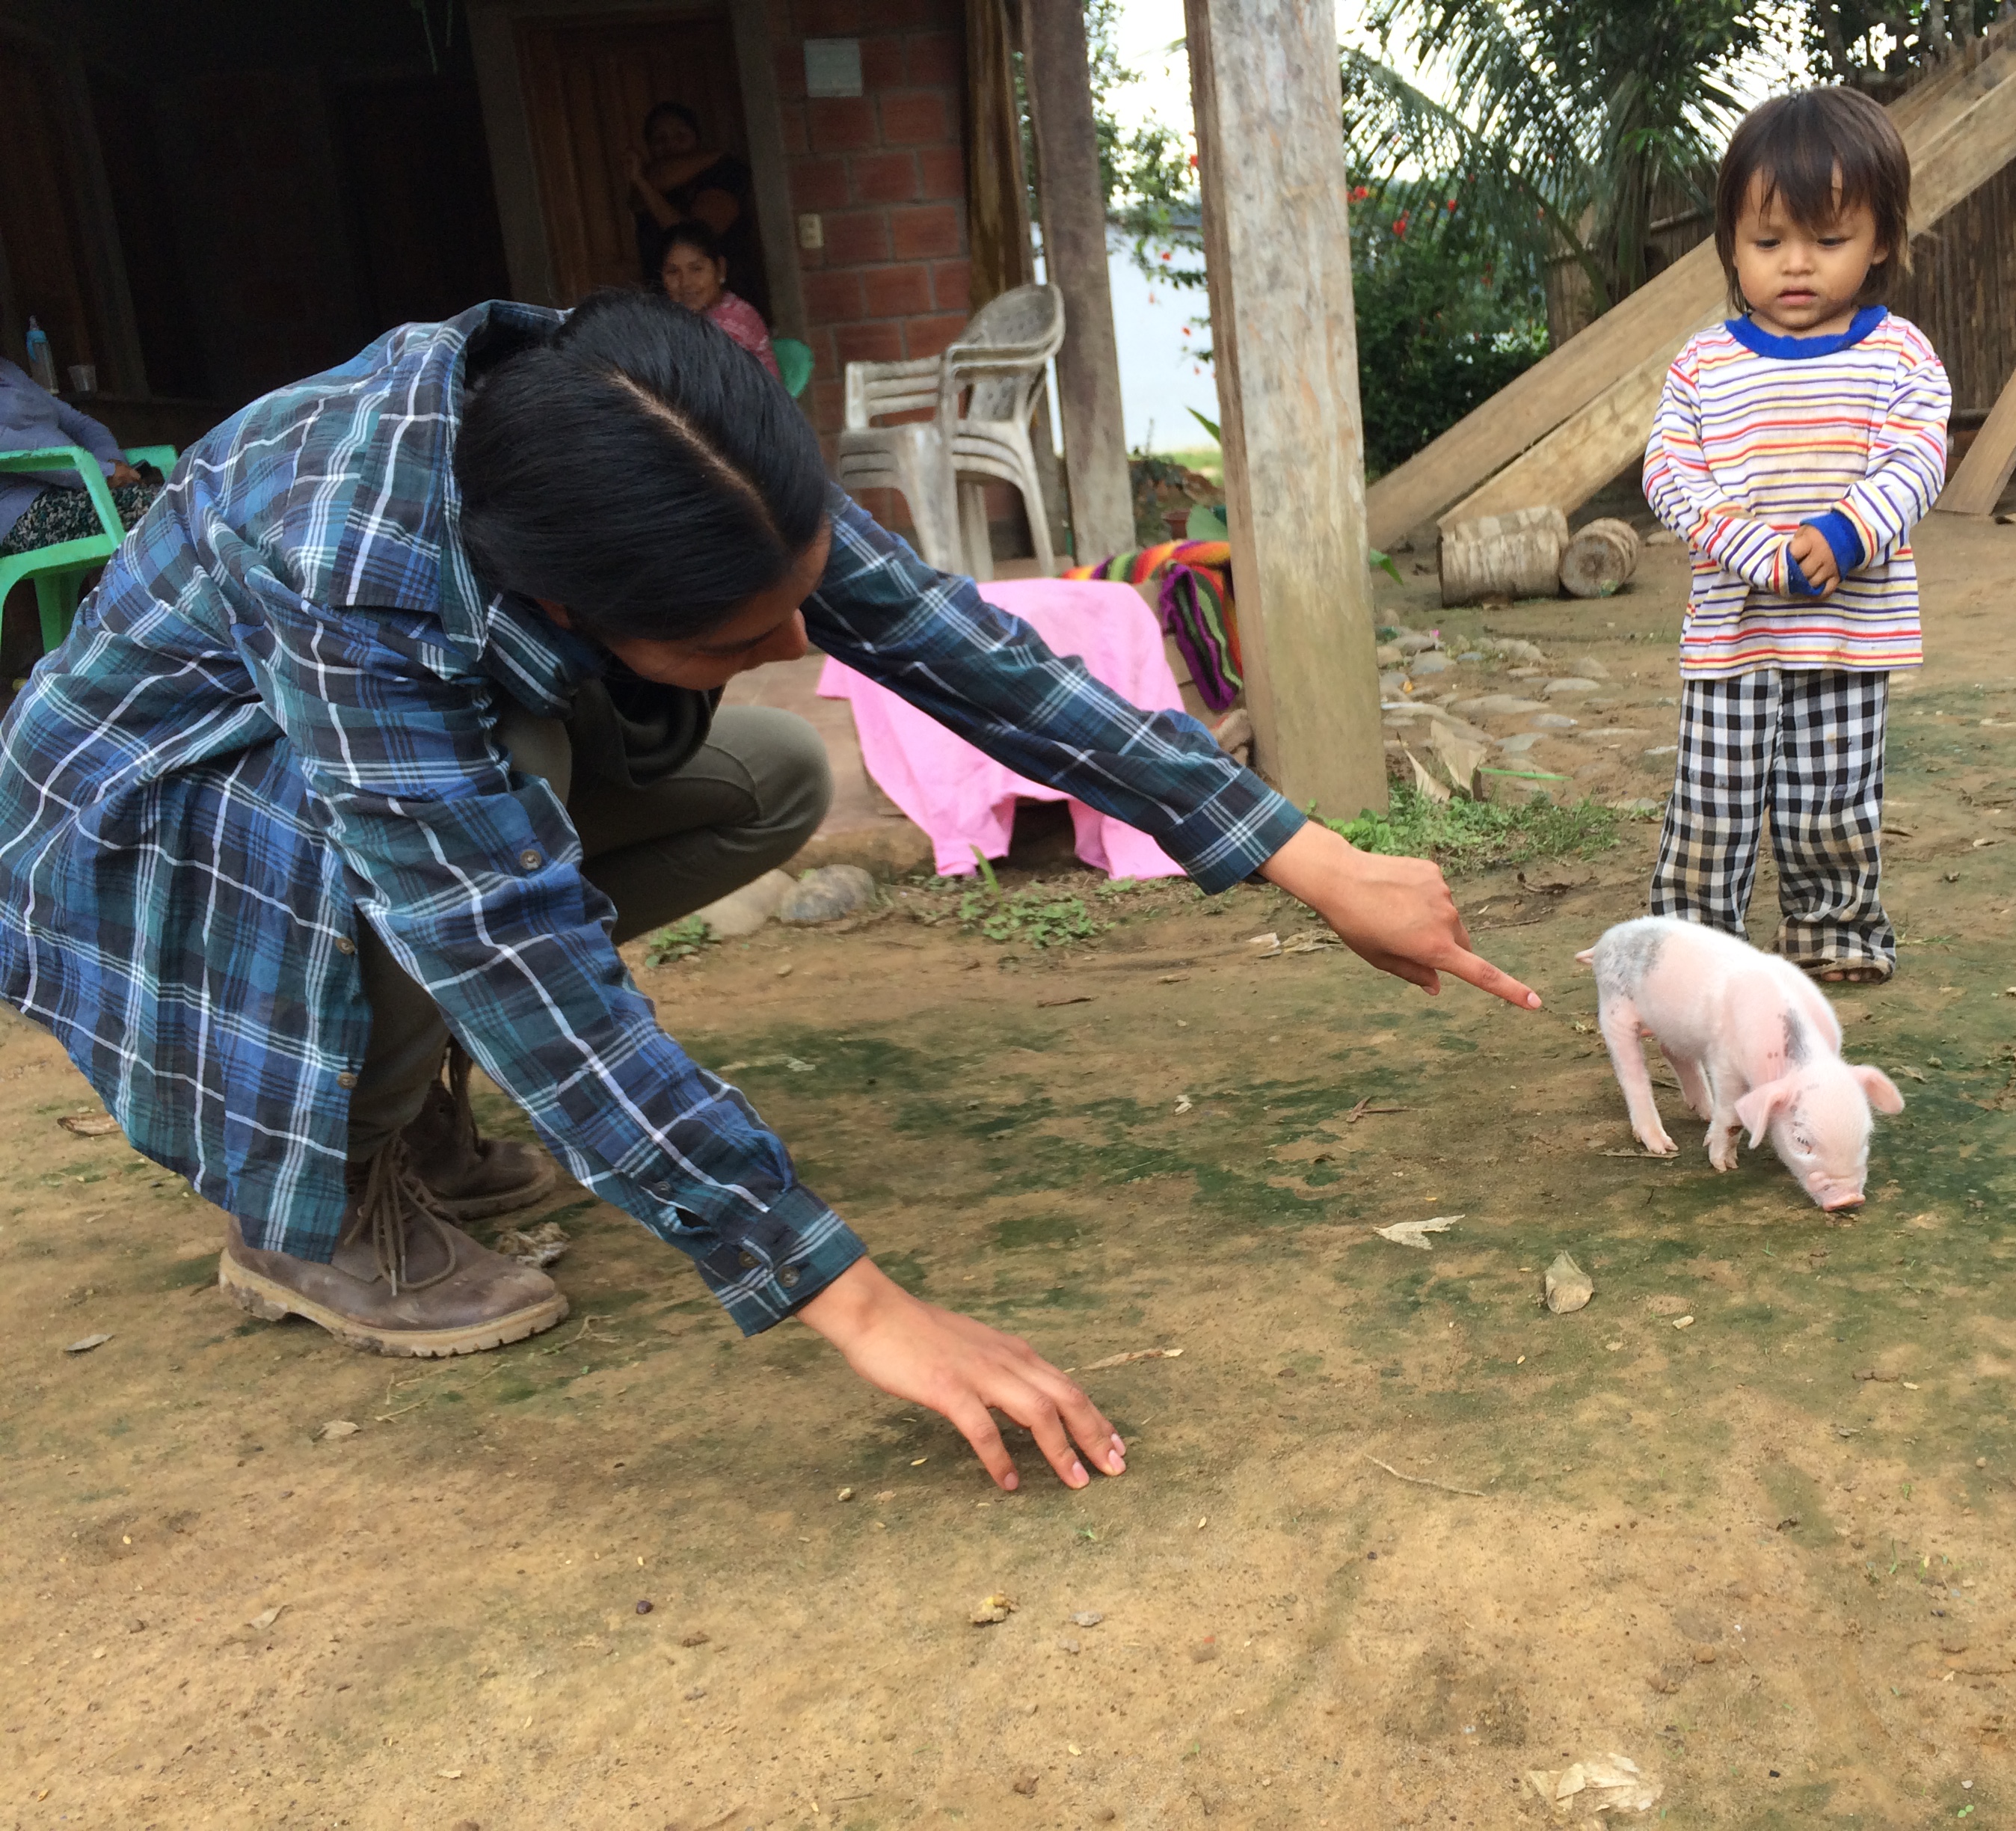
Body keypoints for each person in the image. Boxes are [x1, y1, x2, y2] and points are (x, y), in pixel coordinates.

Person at [0, 292, 1538, 1494]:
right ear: (563, 602)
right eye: (733, 641)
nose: (797, 643)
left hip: (349, 785)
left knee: (773, 776)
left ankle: (399, 1097)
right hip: (152, 847)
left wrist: (1302, 853)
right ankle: (310, 1203)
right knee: (502, 797)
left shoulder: (654, 436)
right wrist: (856, 1301)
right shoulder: (347, 566)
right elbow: (510, 946)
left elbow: (959, 648)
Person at [1641, 87, 1950, 987]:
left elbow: (1918, 456)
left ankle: (1833, 932)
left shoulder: (1899, 356)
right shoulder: (1705, 364)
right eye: (1768, 242)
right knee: (1712, 805)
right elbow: (1669, 472)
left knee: (1832, 803)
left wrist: (1850, 531)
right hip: (1734, 633)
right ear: (1732, 245)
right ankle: (1693, 950)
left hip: (1849, 637)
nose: (1797, 265)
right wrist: (1748, 547)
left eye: (1829, 239)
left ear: (1881, 239)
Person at [0, 354, 159, 561]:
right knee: (162, 505)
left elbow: (81, 424)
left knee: (180, 493)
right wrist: (104, 473)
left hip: (85, 489)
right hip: (27, 514)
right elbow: (13, 448)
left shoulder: (8, 370)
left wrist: (112, 460)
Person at [626, 102, 767, 319]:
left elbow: (692, 237)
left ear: (697, 139)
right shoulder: (654, 181)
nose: (671, 145)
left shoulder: (725, 173)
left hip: (723, 306)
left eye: (681, 136)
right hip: (667, 308)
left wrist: (642, 184)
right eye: (660, 140)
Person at [661, 218, 778, 381]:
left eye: (697, 269)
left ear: (720, 269)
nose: (685, 282)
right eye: (673, 272)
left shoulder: (729, 325)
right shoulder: (690, 317)